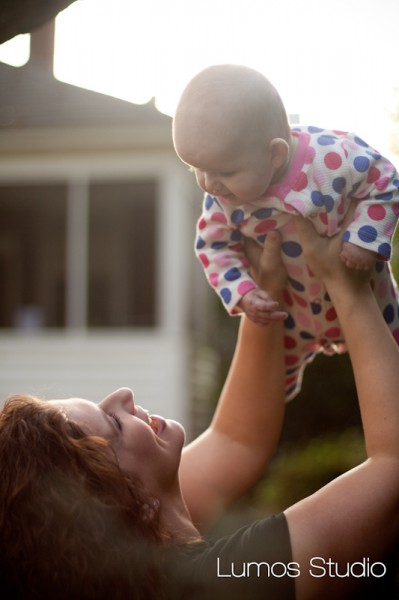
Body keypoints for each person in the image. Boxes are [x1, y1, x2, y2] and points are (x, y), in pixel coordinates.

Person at [1, 217, 399, 600]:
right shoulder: (220, 583)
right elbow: (393, 466)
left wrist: (267, 288)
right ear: (129, 503)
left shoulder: (132, 543)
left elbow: (237, 440)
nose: (123, 395)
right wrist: (348, 287)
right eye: (113, 424)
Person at [172, 63, 399, 399]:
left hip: (366, 294)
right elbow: (212, 246)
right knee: (263, 387)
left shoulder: (333, 157)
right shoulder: (222, 199)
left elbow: (386, 180)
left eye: (224, 171)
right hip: (290, 313)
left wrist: (366, 236)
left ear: (275, 154)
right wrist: (245, 292)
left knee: (392, 364)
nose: (209, 184)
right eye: (196, 169)